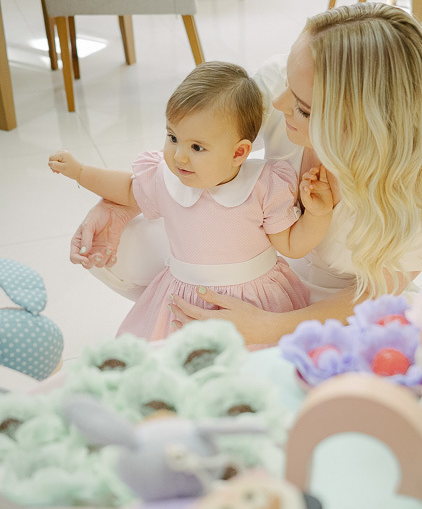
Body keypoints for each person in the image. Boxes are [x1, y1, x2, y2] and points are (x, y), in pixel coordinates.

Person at [68, 3, 422, 346]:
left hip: (332, 300)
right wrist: (122, 203)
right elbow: (201, 140)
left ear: (357, 123)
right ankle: (173, 315)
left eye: (303, 107)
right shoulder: (280, 88)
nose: (280, 103)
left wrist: (269, 326)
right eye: (287, 81)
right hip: (256, 251)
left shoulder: (418, 195)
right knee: (114, 246)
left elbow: (370, 294)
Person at [49, 61, 333, 341]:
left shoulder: (262, 185)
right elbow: (126, 188)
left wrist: (317, 215)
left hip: (256, 300)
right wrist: (81, 172)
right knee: (175, 357)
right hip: (185, 294)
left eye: (197, 147)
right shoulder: (166, 179)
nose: (179, 156)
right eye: (173, 137)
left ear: (238, 153)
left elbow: (292, 246)